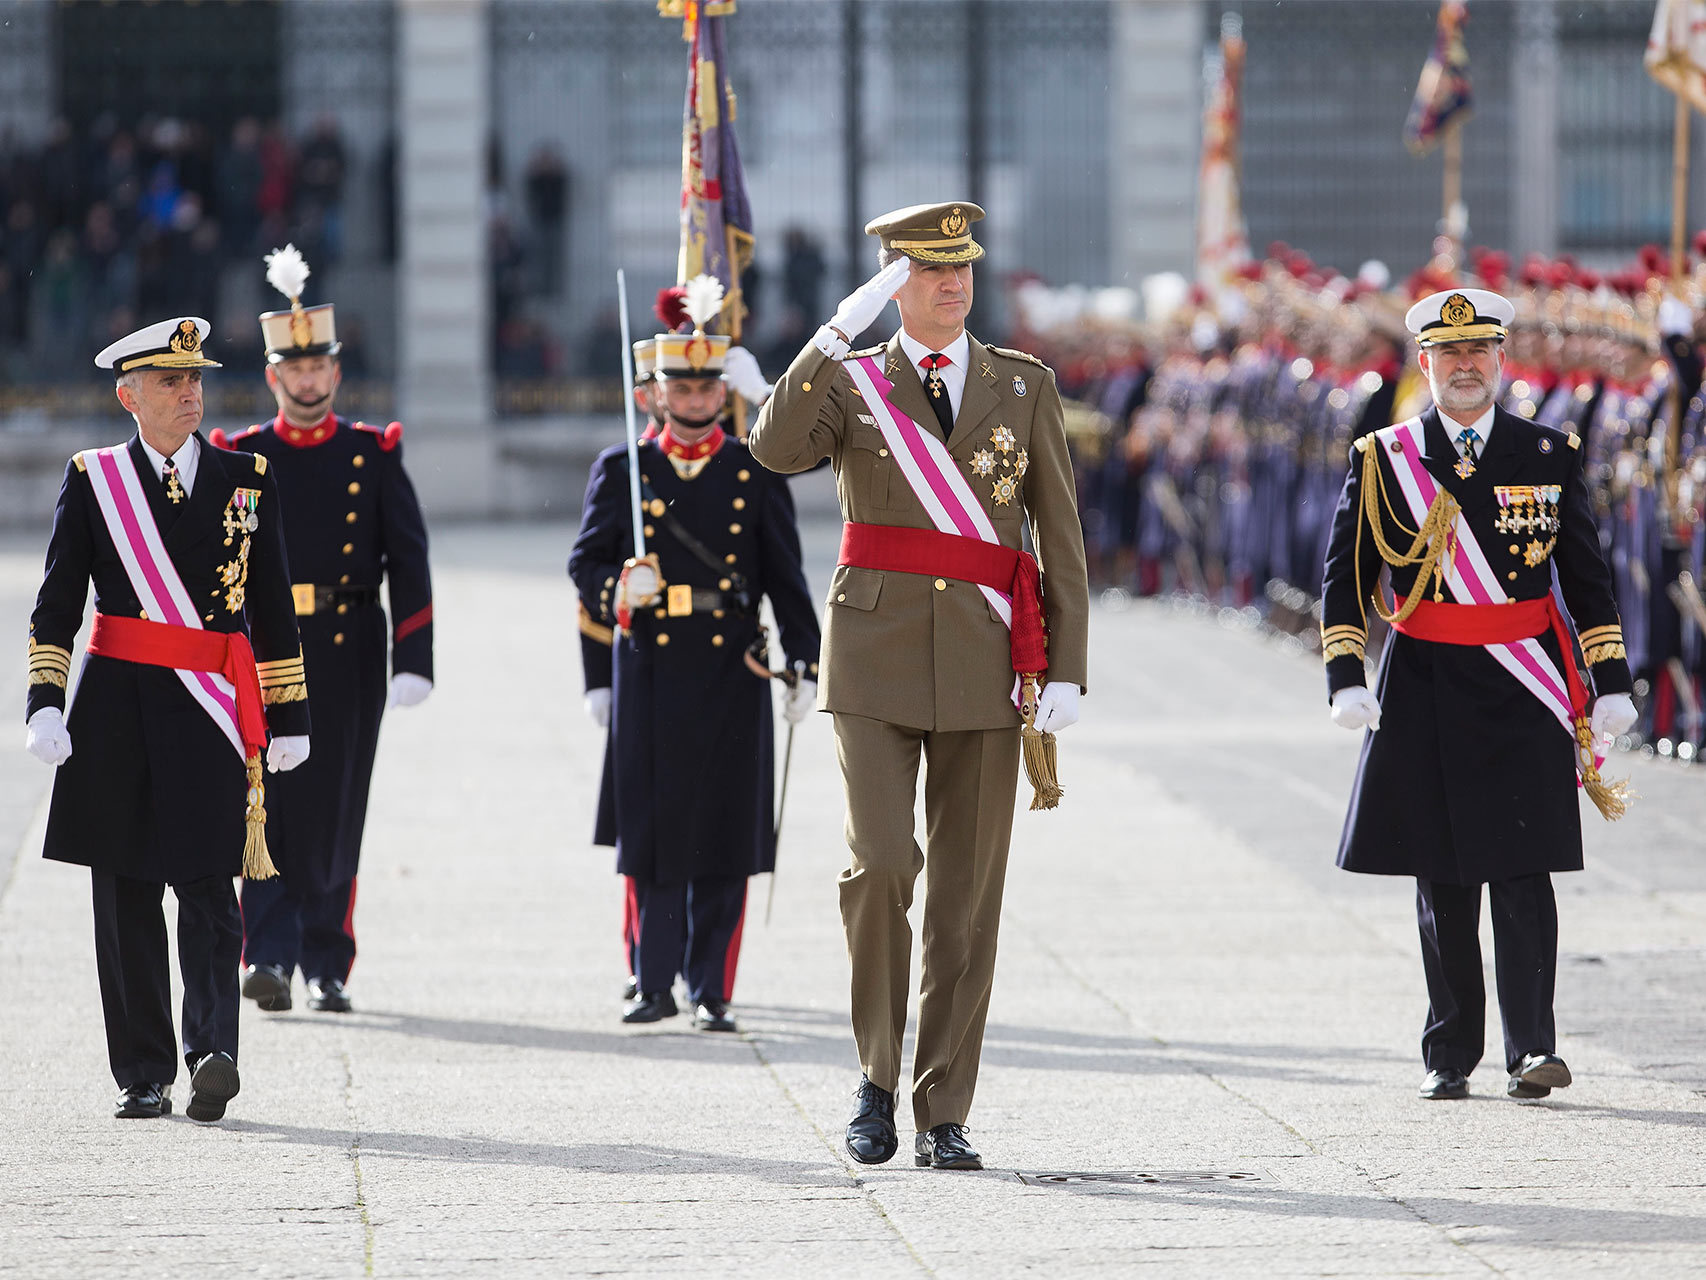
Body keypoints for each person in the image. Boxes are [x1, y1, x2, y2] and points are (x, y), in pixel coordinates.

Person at [747, 202, 1089, 1171]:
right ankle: (873, 1073)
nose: (952, 285)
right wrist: (828, 335)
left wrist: (1065, 664)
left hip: (986, 661)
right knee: (883, 864)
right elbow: (770, 449)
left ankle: (943, 1104)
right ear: (893, 280)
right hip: (873, 659)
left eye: (962, 269)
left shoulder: (1020, 385)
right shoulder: (852, 382)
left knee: (966, 894)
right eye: (930, 271)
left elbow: (1056, 537)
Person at [1319, 287, 1638, 1103]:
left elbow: (1588, 577)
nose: (1465, 367)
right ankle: (1449, 1050)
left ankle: (1534, 1049)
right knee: (1443, 874)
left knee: (1525, 867)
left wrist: (1610, 681)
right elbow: (1346, 576)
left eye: (1479, 352)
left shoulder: (1548, 453)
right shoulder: (1385, 456)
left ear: (1501, 360)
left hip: (1524, 679)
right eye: (1448, 354)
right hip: (1425, 679)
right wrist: (1346, 676)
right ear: (1423, 362)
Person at [24, 315, 311, 1122]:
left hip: (208, 708)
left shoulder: (247, 478)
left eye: (195, 380)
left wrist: (288, 714)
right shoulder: (94, 479)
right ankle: (143, 1071)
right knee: (125, 898)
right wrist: (46, 702)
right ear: (129, 395)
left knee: (211, 888)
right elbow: (56, 605)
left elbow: (273, 606)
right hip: (114, 707)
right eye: (170, 382)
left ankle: (213, 1050)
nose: (191, 393)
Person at [568, 282, 819, 1033]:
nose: (697, 395)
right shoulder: (623, 469)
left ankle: (711, 986)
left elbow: (786, 576)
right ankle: (653, 980)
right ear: (654, 392)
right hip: (650, 663)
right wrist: (621, 584)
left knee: (724, 830)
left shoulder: (753, 470)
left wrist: (805, 662)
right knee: (653, 832)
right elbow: (584, 566)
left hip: (731, 668)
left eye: (708, 383)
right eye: (682, 383)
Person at [212, 246, 433, 1015]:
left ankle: (327, 961)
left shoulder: (372, 455)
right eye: (293, 371)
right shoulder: (241, 457)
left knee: (339, 802)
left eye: (319, 369)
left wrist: (416, 656)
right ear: (274, 377)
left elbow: (408, 557)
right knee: (265, 799)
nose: (307, 381)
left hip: (346, 648)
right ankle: (267, 953)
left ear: (335, 373)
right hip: (264, 652)